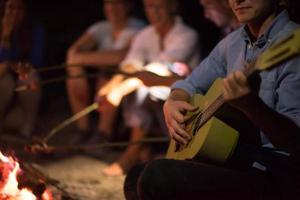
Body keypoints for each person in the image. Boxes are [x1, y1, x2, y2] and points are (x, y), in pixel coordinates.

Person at [124, 0, 300, 199]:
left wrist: (251, 106)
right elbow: (189, 85)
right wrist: (172, 101)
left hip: (277, 173)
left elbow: (294, 142)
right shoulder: (234, 42)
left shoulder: (292, 41)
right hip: (239, 157)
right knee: (135, 178)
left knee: (156, 177)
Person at [100, 0, 200, 176]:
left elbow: (157, 70)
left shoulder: (186, 34)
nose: (154, 12)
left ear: (173, 6)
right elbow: (130, 65)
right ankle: (141, 149)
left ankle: (132, 153)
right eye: (149, 6)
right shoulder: (145, 34)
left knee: (143, 88)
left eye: (160, 6)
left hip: (184, 97)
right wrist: (110, 87)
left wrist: (119, 91)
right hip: (155, 100)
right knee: (136, 87)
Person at [66, 0, 145, 138]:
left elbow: (123, 57)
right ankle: (83, 130)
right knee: (74, 73)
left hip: (129, 78)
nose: (112, 8)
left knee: (108, 76)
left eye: (117, 3)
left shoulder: (138, 29)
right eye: (108, 3)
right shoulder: (101, 28)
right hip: (102, 75)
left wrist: (82, 58)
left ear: (128, 5)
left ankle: (104, 133)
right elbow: (72, 53)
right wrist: (79, 63)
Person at [0, 0, 44, 137]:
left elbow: (36, 61)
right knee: (5, 81)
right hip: (5, 80)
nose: (15, 12)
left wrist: (11, 65)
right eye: (11, 7)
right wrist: (6, 36)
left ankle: (28, 127)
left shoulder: (34, 29)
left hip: (21, 82)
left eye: (19, 8)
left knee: (30, 77)